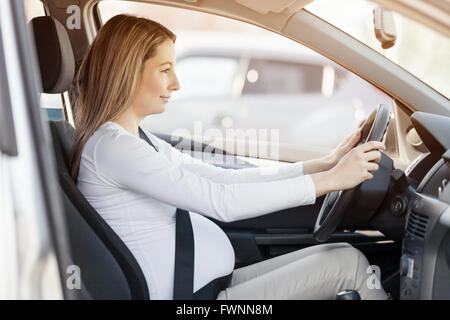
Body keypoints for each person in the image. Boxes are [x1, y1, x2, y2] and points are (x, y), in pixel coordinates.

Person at [68, 14, 387, 300]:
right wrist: (330, 180)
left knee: (343, 255)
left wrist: (326, 163)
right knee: (350, 264)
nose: (176, 84)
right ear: (128, 73)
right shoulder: (114, 148)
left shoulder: (135, 140)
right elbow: (221, 200)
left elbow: (221, 178)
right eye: (165, 70)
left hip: (207, 286)